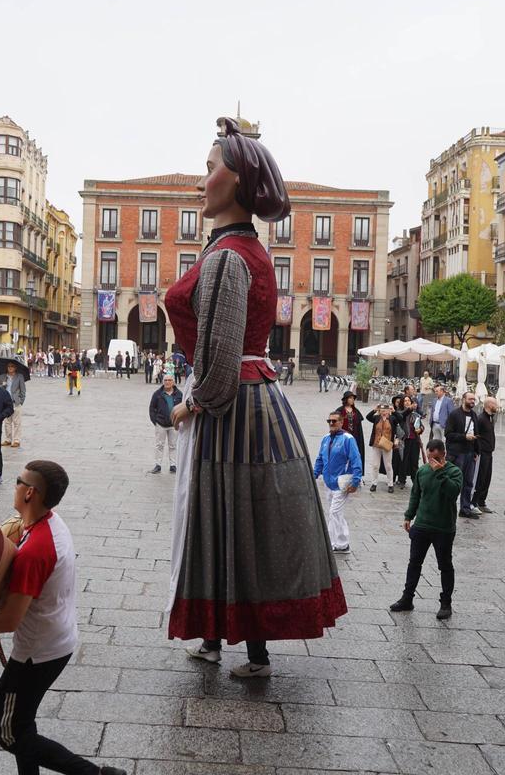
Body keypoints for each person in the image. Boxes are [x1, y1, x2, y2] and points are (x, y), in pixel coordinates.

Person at [167, 117, 346, 678]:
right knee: (241, 523)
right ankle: (231, 642)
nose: (201, 182)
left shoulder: (225, 259)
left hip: (233, 408)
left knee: (226, 521)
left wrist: (190, 404)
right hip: (260, 401)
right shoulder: (250, 251)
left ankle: (240, 646)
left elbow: (219, 363)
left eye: (209, 168)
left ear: (237, 179)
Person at [0, 461, 127, 775]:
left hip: (37, 652)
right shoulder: (51, 523)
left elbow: (8, 621)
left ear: (30, 492)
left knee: (12, 732)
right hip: (56, 640)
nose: (14, 486)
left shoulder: (35, 551)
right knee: (22, 721)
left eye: (18, 481)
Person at [390, 439, 464, 619]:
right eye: (430, 457)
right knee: (414, 563)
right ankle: (407, 598)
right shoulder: (422, 472)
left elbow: (452, 493)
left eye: (436, 457)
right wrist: (408, 516)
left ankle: (446, 603)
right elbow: (415, 495)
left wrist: (439, 472)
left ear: (443, 454)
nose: (432, 461)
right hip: (422, 525)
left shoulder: (454, 472)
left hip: (444, 527)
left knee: (445, 565)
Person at [314, 411, 363, 554]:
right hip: (328, 483)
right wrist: (314, 474)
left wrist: (355, 481)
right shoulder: (325, 439)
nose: (331, 424)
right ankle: (342, 543)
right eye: (329, 421)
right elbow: (320, 459)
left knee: (334, 512)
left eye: (334, 421)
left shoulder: (348, 439)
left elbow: (356, 459)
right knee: (336, 513)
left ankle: (335, 543)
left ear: (341, 422)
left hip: (342, 483)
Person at [444, 391, 480, 519]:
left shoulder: (474, 415)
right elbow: (448, 434)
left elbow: (477, 434)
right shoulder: (455, 414)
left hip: (470, 453)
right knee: (455, 481)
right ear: (463, 399)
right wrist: (464, 437)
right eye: (470, 399)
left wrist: (476, 451)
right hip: (457, 453)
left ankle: (465, 508)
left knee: (469, 482)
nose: (472, 401)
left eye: (473, 399)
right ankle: (448, 507)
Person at [148, 374, 183, 474]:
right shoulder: (158, 394)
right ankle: (158, 465)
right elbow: (152, 408)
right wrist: (155, 421)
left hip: (174, 424)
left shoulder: (179, 394)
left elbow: (182, 408)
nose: (167, 382)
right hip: (161, 424)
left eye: (169, 380)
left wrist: (179, 420)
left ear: (173, 382)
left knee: (173, 445)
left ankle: (173, 465)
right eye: (165, 380)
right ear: (163, 382)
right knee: (159, 445)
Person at [472, 397, 497, 512]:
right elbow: (476, 435)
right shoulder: (481, 419)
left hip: (489, 452)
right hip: (482, 453)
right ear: (489, 405)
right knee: (480, 478)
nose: (497, 406)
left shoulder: (490, 418)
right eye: (495, 404)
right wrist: (476, 451)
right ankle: (475, 502)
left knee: (487, 478)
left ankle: (482, 501)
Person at [365, 403, 397, 494]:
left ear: (388, 411)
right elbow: (368, 417)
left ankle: (390, 484)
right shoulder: (376, 418)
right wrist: (375, 409)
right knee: (375, 465)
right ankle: (374, 483)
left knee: (388, 465)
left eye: (385, 411)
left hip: (387, 444)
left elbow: (400, 419)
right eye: (382, 411)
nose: (384, 412)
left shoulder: (392, 418)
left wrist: (394, 412)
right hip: (376, 444)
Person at [336, 390, 366, 470]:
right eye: (350, 398)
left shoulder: (356, 411)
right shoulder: (340, 411)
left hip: (354, 438)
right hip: (343, 438)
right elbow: (336, 424)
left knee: (354, 456)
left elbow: (359, 426)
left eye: (353, 398)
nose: (352, 400)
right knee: (342, 456)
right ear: (346, 399)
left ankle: (355, 473)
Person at [1, 361, 27, 448]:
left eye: (12, 366)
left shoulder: (19, 376)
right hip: (5, 402)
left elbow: (23, 390)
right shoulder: (3, 376)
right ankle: (8, 439)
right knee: (7, 422)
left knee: (17, 422)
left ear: (15, 368)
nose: (10, 368)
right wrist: (3, 385)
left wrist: (21, 401)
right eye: (8, 366)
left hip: (15, 402)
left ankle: (16, 440)